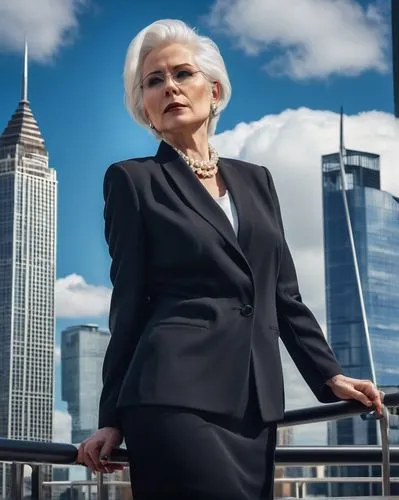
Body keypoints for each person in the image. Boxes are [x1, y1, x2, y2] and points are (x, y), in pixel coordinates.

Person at [77, 19, 383, 500]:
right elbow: (129, 302)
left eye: (182, 74)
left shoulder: (256, 180)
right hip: (173, 396)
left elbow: (283, 294)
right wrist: (110, 418)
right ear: (146, 110)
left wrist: (330, 374)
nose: (170, 88)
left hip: (255, 404)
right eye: (154, 82)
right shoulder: (133, 181)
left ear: (214, 90)